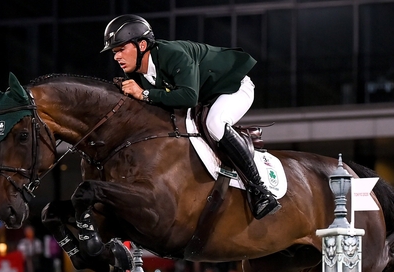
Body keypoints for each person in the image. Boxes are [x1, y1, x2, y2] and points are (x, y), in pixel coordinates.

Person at [101, 14, 280, 219]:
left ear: (142, 45)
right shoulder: (134, 73)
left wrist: (143, 94)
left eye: (121, 49)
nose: (116, 57)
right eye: (114, 52)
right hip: (205, 97)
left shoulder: (172, 54)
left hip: (233, 86)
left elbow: (188, 97)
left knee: (215, 123)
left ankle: (261, 191)